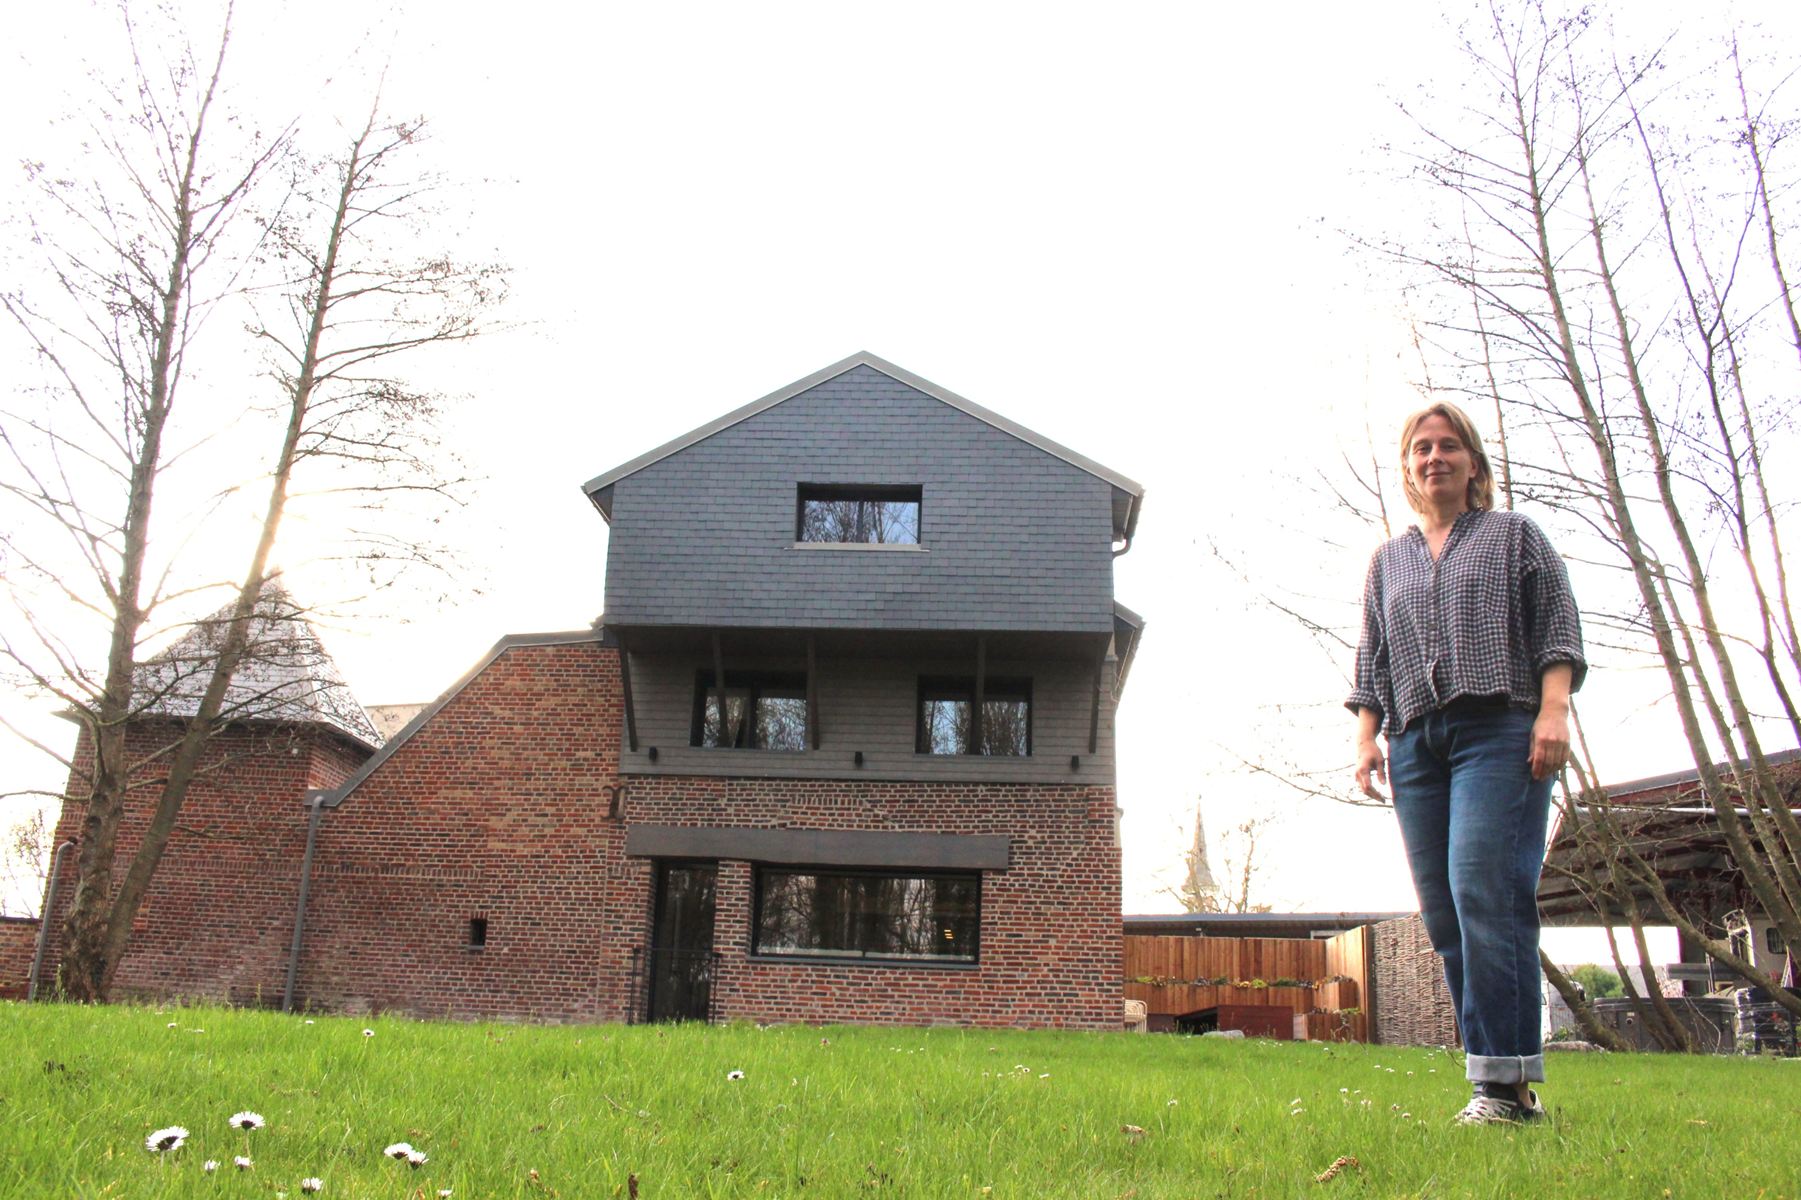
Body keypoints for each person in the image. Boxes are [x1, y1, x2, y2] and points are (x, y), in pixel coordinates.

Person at [1347, 401, 1585, 1126]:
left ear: (1472, 463)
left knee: (1485, 888)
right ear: (1408, 468)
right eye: (1420, 447)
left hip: (1499, 728)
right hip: (1416, 744)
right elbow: (1372, 656)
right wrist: (1366, 738)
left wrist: (1553, 712)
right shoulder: (1389, 558)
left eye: (1448, 446)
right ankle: (1492, 1080)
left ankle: (1506, 1089)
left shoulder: (1514, 536)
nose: (1434, 457)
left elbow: (1556, 628)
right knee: (1446, 912)